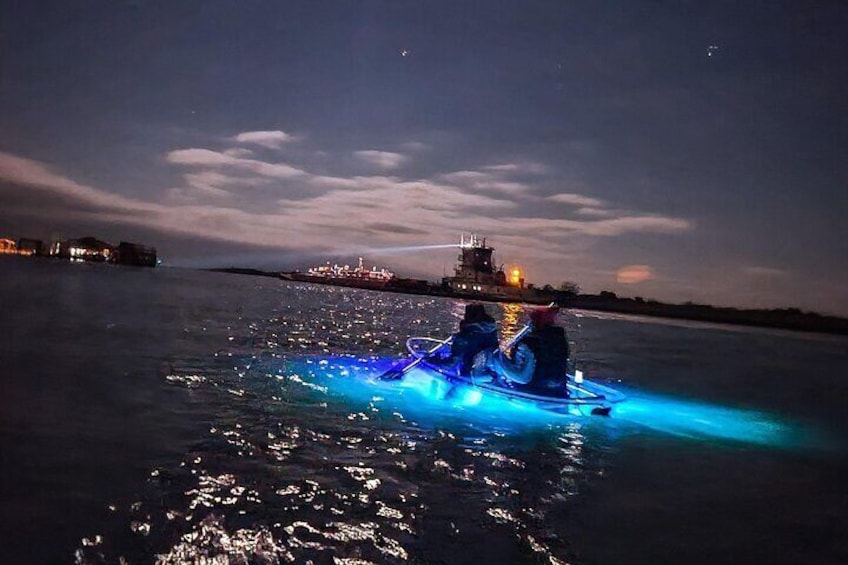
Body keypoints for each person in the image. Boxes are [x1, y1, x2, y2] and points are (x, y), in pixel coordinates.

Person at [492, 306, 570, 395]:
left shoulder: (527, 343)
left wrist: (500, 355)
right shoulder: (559, 339)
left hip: (530, 393)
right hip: (559, 392)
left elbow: (521, 377)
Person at [443, 303, 499, 376]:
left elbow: (451, 363)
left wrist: (431, 359)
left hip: (469, 377)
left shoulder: (464, 337)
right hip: (492, 375)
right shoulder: (491, 332)